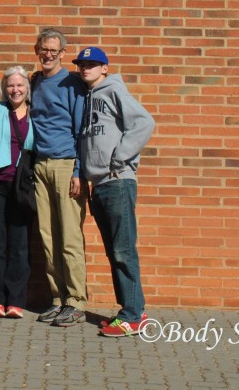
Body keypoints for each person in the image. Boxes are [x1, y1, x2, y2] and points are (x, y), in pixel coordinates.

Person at [72, 46, 155, 337]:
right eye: (82, 64)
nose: (86, 69)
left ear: (105, 68)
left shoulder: (113, 90)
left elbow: (144, 123)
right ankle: (131, 310)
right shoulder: (89, 96)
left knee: (123, 250)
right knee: (114, 251)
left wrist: (118, 158)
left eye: (93, 64)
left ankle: (133, 317)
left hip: (117, 180)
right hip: (101, 185)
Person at [28, 28, 88, 328]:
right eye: (43, 49)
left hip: (66, 165)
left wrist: (79, 171)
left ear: (62, 53)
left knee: (69, 237)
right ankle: (58, 298)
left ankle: (76, 302)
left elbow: (81, 130)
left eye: (54, 50)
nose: (48, 54)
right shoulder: (35, 81)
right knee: (48, 238)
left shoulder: (72, 83)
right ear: (36, 50)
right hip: (40, 165)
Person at [0, 66, 36, 319]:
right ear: (4, 89)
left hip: (22, 187)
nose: (15, 89)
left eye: (20, 85)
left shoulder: (35, 115)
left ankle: (15, 300)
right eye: (10, 85)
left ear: (27, 88)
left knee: (19, 244)